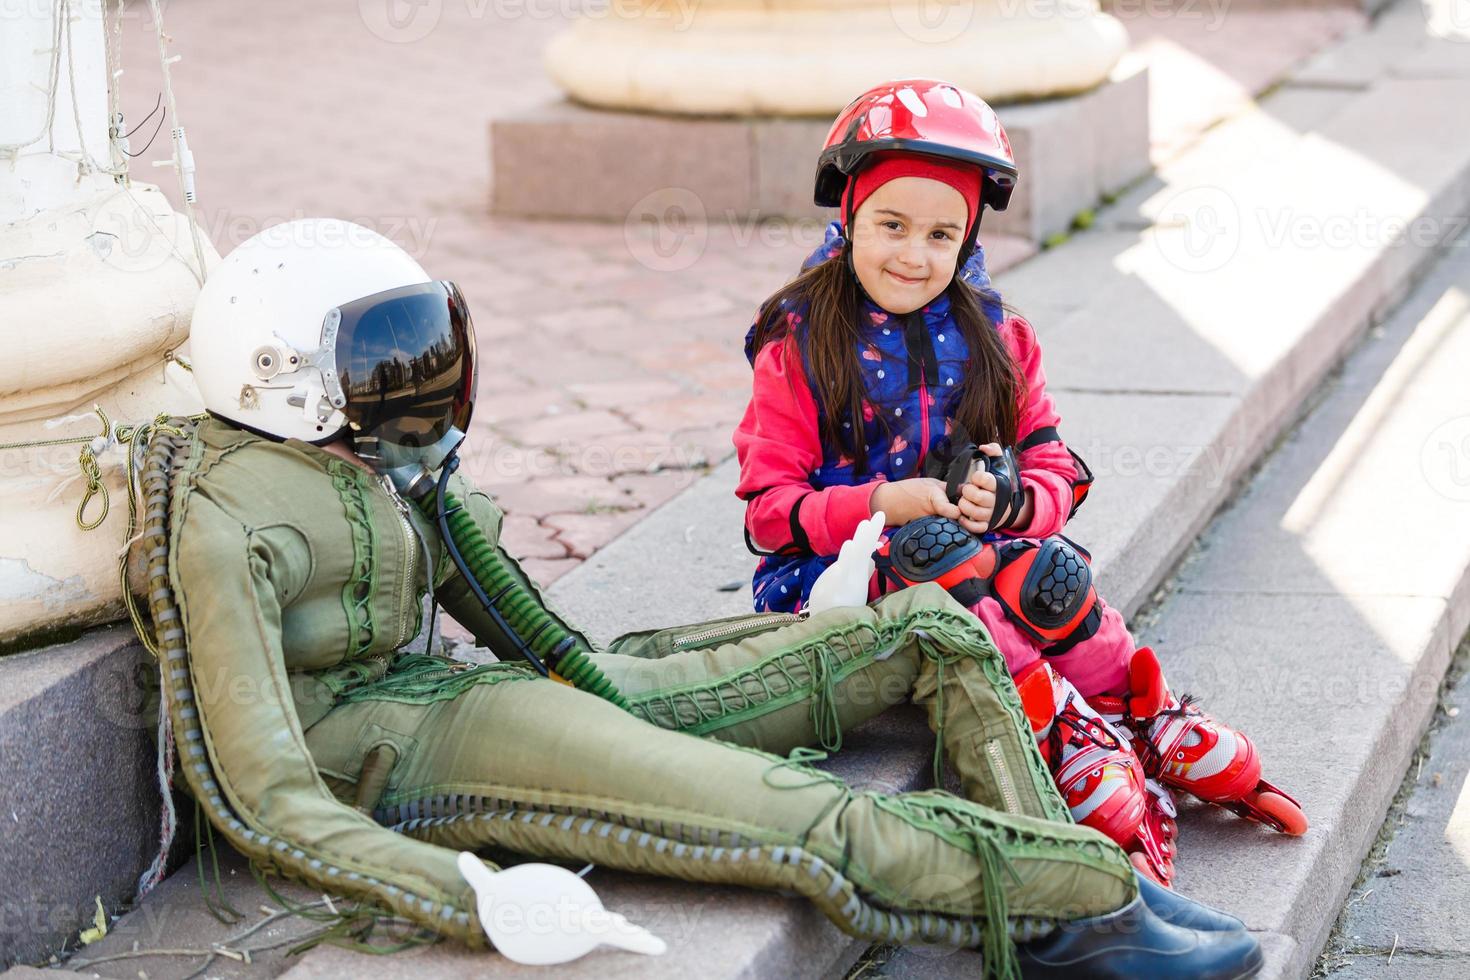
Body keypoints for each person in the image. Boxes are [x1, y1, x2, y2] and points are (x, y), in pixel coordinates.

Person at [133, 217, 1265, 979]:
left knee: (929, 627)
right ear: (275, 374)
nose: (422, 390)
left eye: (427, 354)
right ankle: (1080, 904)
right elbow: (267, 801)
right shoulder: (222, 525)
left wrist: (624, 691)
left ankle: (1069, 881)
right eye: (389, 366)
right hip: (395, 746)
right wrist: (469, 893)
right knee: (792, 810)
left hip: (512, 686)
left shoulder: (383, 456)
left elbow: (533, 628)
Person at [733, 78, 1307, 887]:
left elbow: (1054, 466)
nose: (913, 254)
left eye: (942, 233)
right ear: (850, 212)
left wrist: (1012, 499)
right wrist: (877, 505)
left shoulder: (996, 336)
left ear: (969, 236)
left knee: (1050, 572)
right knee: (940, 555)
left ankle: (1143, 712)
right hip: (827, 582)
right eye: (890, 225)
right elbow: (768, 516)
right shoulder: (798, 343)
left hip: (968, 558)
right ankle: (1060, 732)